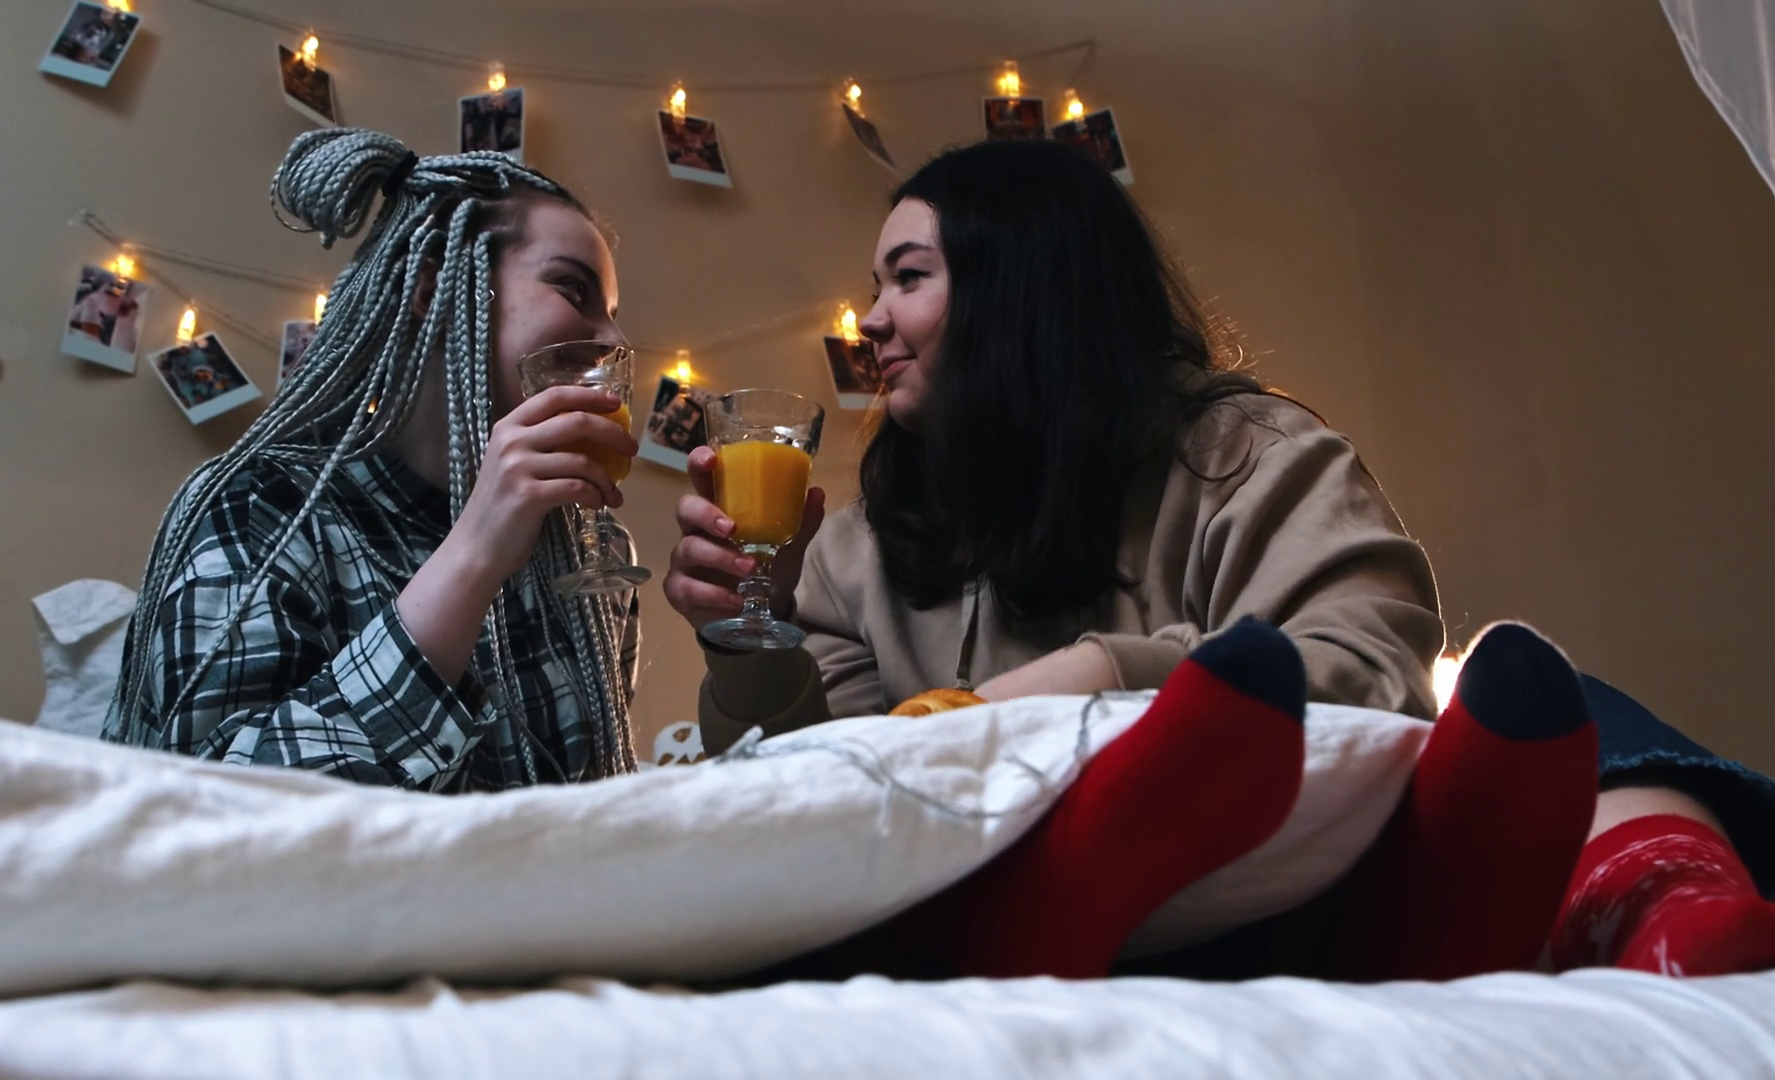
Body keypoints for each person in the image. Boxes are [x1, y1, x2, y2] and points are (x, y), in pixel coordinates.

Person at [666, 138, 1775, 979]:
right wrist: (750, 637)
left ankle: (1663, 905)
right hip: (1002, 883)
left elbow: (1372, 669)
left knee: (1553, 696)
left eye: (906, 278)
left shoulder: (1243, 455)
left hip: (1266, 875)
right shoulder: (856, 541)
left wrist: (1099, 673)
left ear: (1024, 286)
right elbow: (823, 801)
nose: (869, 319)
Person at [105, 128, 642, 794]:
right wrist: (472, 555)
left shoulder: (590, 549)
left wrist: (730, 647)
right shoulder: (261, 509)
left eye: (612, 313)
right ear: (434, 289)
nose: (616, 339)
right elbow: (214, 810)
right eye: (572, 289)